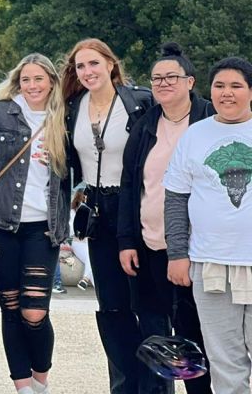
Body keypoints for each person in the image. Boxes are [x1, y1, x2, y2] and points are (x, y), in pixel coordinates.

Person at [0, 54, 71, 394]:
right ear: (18, 82)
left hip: (43, 228)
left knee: (34, 312)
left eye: (39, 79)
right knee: (11, 308)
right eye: (26, 79)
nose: (32, 86)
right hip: (2, 225)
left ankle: (41, 379)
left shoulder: (63, 118)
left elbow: (81, 169)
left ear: (52, 82)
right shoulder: (0, 112)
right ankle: (23, 387)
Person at [119, 43, 213, 394]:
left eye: (171, 77)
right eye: (157, 78)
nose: (162, 83)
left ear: (190, 81)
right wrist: (127, 241)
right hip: (150, 244)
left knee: (195, 335)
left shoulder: (208, 121)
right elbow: (131, 185)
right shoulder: (144, 126)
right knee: (156, 336)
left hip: (198, 248)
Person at [62, 38, 153, 394]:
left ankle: (154, 385)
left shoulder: (138, 103)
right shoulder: (73, 107)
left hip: (135, 205)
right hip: (97, 210)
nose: (87, 72)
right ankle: (124, 385)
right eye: (80, 66)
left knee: (145, 304)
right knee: (112, 308)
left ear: (111, 64)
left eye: (94, 64)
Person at [165, 56, 252, 394]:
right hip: (210, 264)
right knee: (225, 363)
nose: (226, 93)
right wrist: (177, 254)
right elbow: (175, 199)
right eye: (219, 86)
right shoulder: (194, 136)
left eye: (236, 86)